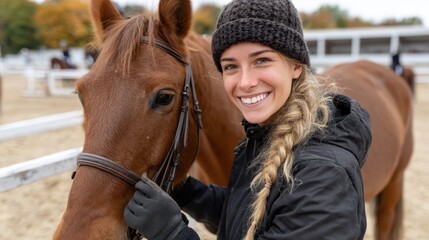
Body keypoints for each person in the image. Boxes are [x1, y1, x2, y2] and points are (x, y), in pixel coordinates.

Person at [123, 0, 372, 239]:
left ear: (296, 65)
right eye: (231, 66)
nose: (245, 82)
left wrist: (171, 234)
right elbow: (247, 218)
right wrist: (185, 191)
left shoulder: (324, 177)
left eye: (261, 60)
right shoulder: (262, 136)